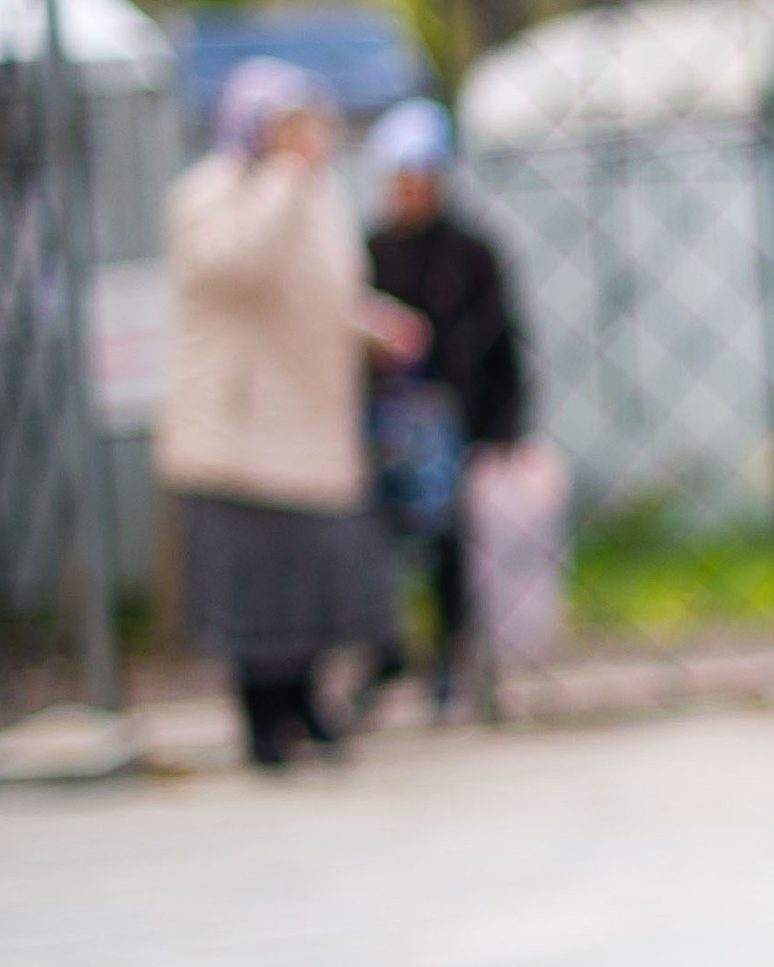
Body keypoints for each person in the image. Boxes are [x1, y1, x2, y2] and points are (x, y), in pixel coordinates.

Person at [157, 60, 426, 767]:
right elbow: (236, 265)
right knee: (255, 582)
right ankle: (264, 720)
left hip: (310, 421)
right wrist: (279, 174)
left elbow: (327, 291)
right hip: (241, 426)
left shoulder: (315, 193)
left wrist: (380, 327)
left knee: (316, 575)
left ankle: (308, 704)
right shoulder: (211, 192)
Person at [364, 98, 525, 715]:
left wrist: (506, 424)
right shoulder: (373, 248)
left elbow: (502, 338)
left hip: (450, 418)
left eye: (415, 180)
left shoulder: (469, 252)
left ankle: (449, 656)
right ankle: (386, 651)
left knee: (449, 545)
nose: (405, 193)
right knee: (380, 541)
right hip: (384, 420)